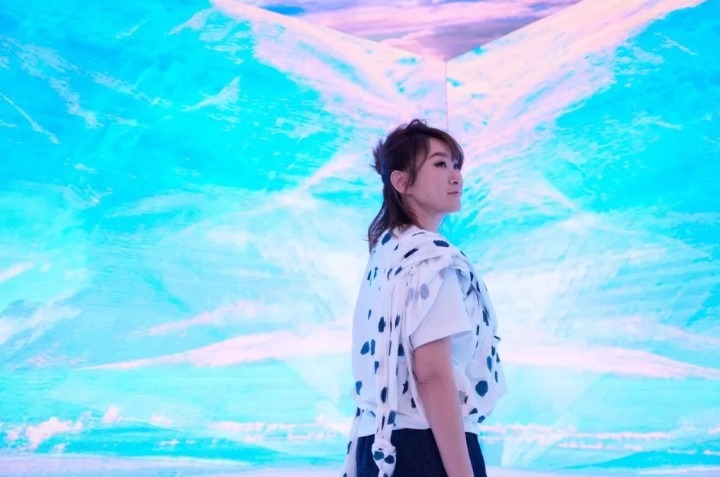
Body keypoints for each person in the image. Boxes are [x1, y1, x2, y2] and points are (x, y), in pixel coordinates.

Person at [341, 119, 507, 477]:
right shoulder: (429, 258)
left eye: (456, 165)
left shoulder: (387, 255)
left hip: (377, 447)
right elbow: (432, 375)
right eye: (440, 164)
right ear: (401, 182)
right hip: (424, 445)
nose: (456, 176)